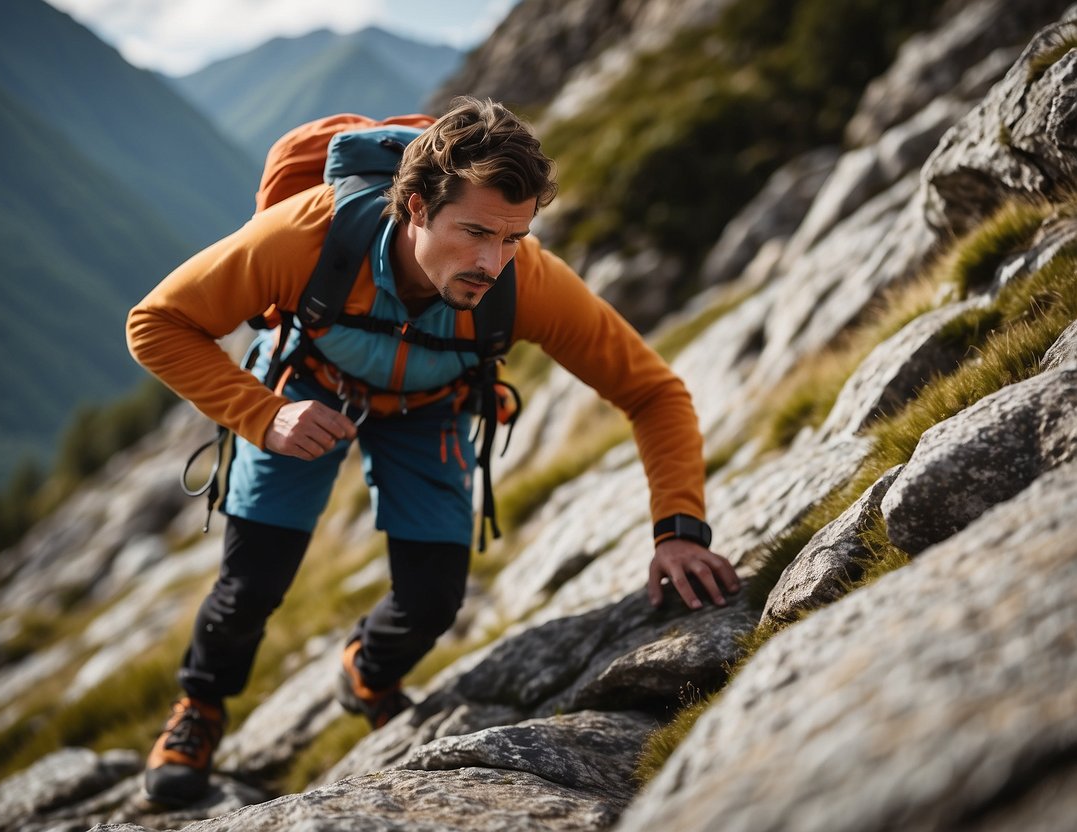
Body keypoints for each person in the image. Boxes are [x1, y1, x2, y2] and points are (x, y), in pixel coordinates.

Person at [125, 95, 739, 806]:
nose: (490, 262)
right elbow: (156, 322)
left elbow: (653, 393)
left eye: (512, 237)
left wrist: (678, 530)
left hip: (428, 410)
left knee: (432, 599)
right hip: (305, 393)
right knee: (250, 587)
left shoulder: (525, 279)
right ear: (414, 207)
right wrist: (262, 415)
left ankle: (367, 674)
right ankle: (198, 708)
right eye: (474, 231)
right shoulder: (305, 235)